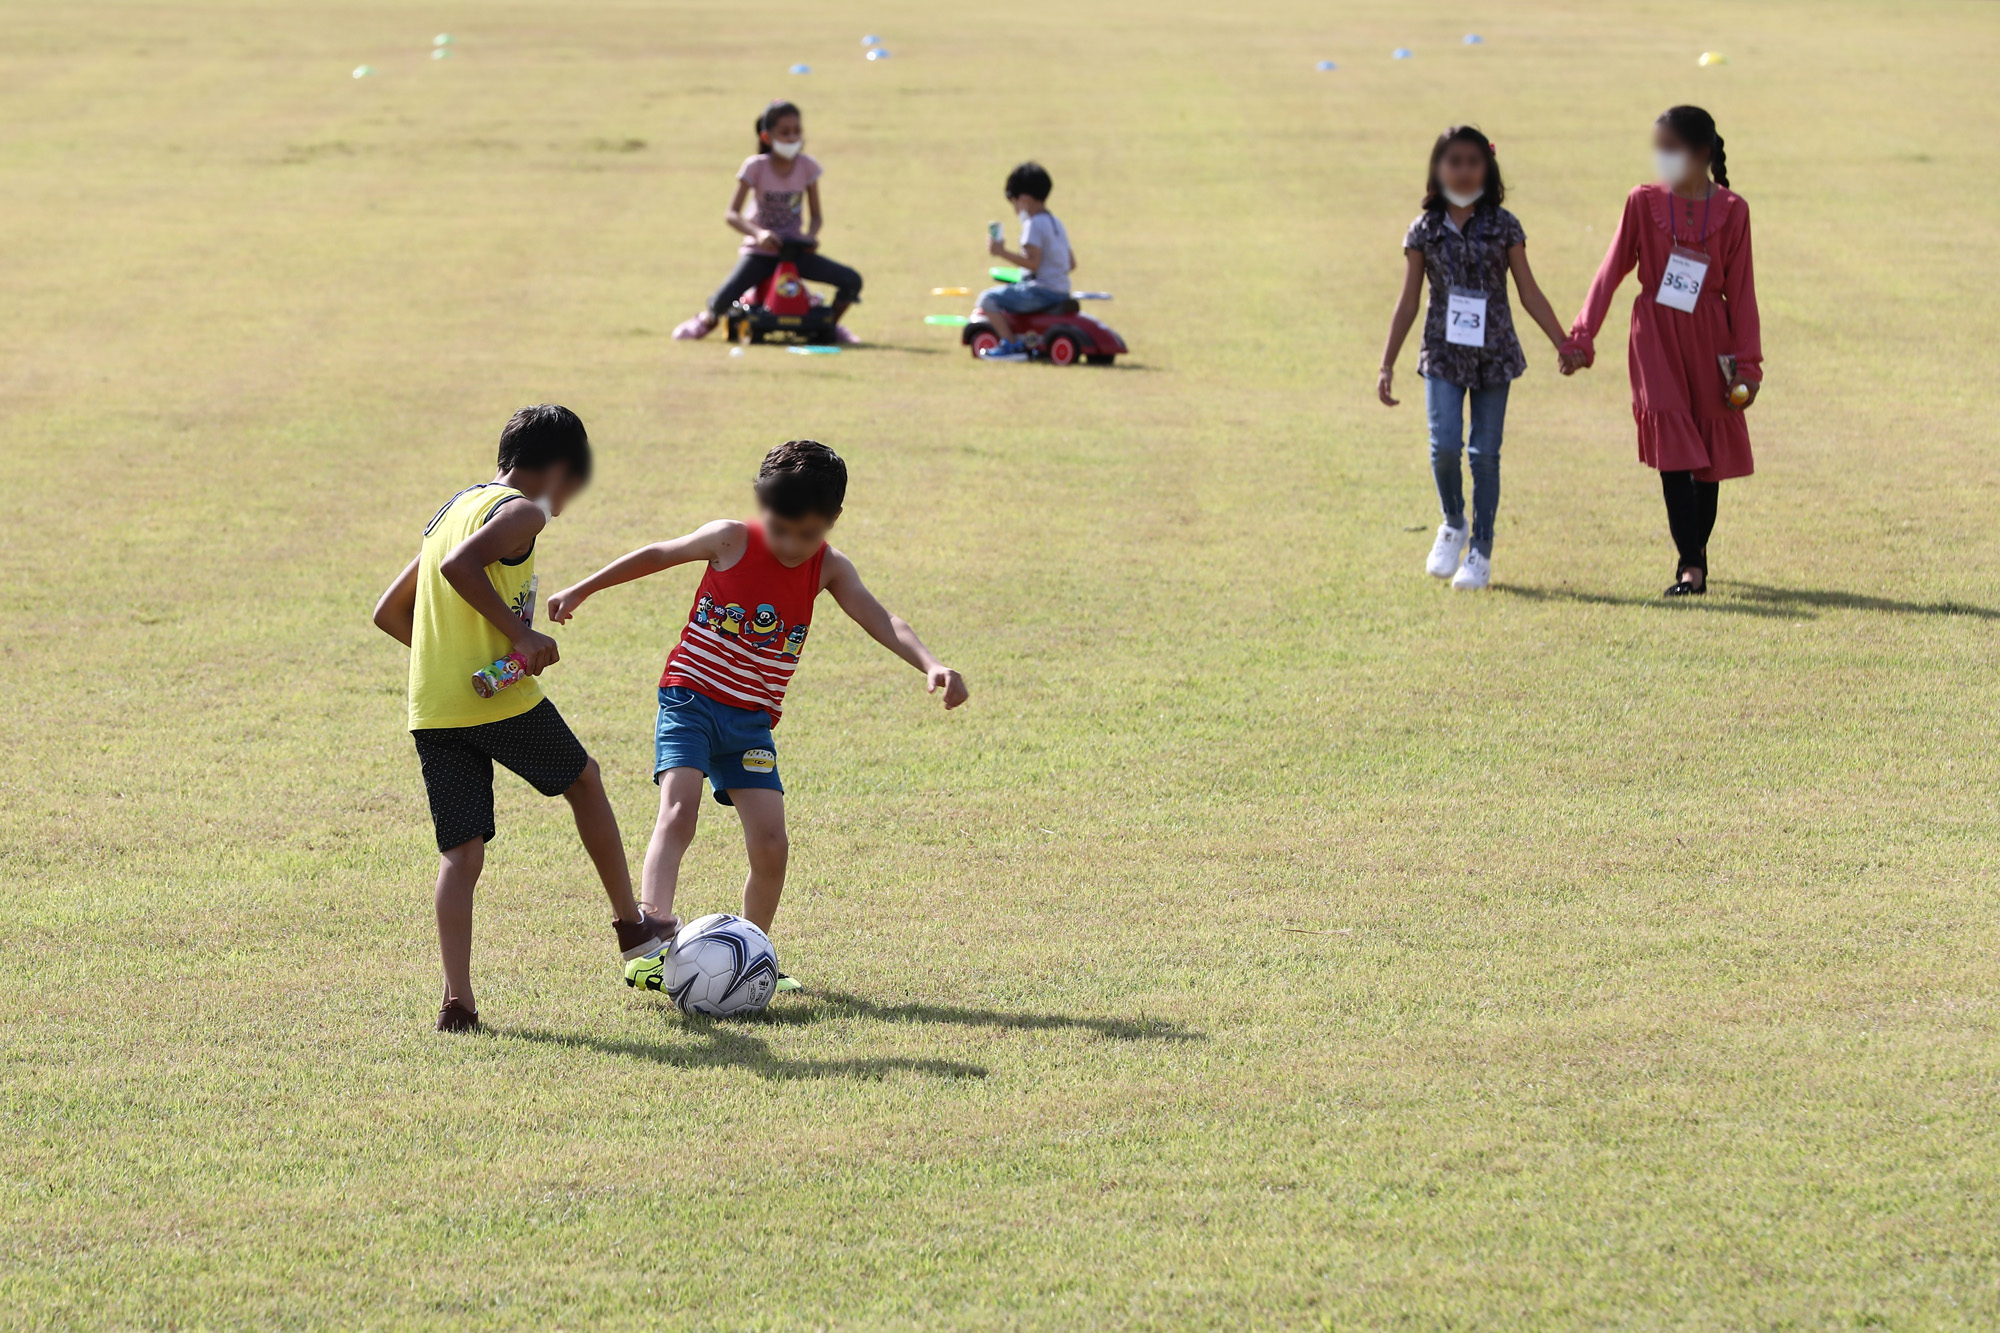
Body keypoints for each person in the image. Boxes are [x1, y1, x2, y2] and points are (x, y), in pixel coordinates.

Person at [545, 440, 969, 989]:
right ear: (761, 507)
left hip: (750, 722)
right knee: (680, 810)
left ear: (833, 521)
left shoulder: (830, 567)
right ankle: (651, 944)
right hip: (690, 696)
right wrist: (583, 588)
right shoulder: (731, 538)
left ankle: (752, 953)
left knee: (771, 844)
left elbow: (882, 617)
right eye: (781, 529)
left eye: (808, 534)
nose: (793, 545)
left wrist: (931, 664)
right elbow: (658, 553)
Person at [371, 406, 675, 1033]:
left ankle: (459, 1002)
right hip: (497, 703)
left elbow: (389, 611)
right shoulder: (523, 510)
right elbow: (461, 570)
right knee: (584, 779)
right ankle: (631, 925)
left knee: (461, 855)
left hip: (435, 707)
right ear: (560, 469)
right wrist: (521, 635)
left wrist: (454, 662)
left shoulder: (452, 510)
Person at [1560, 105, 1762, 596]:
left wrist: (1749, 367)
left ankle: (1695, 553)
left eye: (1671, 150)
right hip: (1654, 335)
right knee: (1674, 448)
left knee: (1708, 452)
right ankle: (1691, 566)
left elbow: (1742, 292)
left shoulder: (1734, 210)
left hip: (1710, 338)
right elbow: (1610, 273)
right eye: (1658, 149)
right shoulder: (1642, 201)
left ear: (1701, 155)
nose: (1662, 159)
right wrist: (1583, 336)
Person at [1377, 126, 1570, 590]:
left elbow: (1528, 292)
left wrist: (1564, 342)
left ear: (1488, 168)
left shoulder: (1505, 226)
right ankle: (1453, 521)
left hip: (1494, 354)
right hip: (1442, 352)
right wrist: (1386, 364)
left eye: (1472, 162)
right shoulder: (1423, 230)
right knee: (1444, 446)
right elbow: (1407, 301)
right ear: (1438, 169)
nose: (1463, 171)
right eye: (1453, 161)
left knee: (1485, 455)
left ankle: (1480, 550)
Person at [672, 100, 864, 344]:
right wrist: (759, 234)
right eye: (784, 132)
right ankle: (706, 320)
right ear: (767, 136)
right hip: (760, 252)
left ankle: (830, 326)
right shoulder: (755, 167)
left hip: (793, 251)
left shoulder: (807, 167)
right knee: (724, 297)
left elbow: (816, 215)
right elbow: (732, 214)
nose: (792, 137)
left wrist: (811, 236)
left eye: (797, 131)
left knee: (851, 280)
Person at [976, 161, 1078, 361]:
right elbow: (1071, 263)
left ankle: (1010, 344)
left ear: (1023, 200)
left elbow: (1033, 263)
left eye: (1013, 203)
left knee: (987, 299)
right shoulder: (1056, 222)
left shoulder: (1033, 224)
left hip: (1042, 292)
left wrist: (1001, 251)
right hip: (1061, 290)